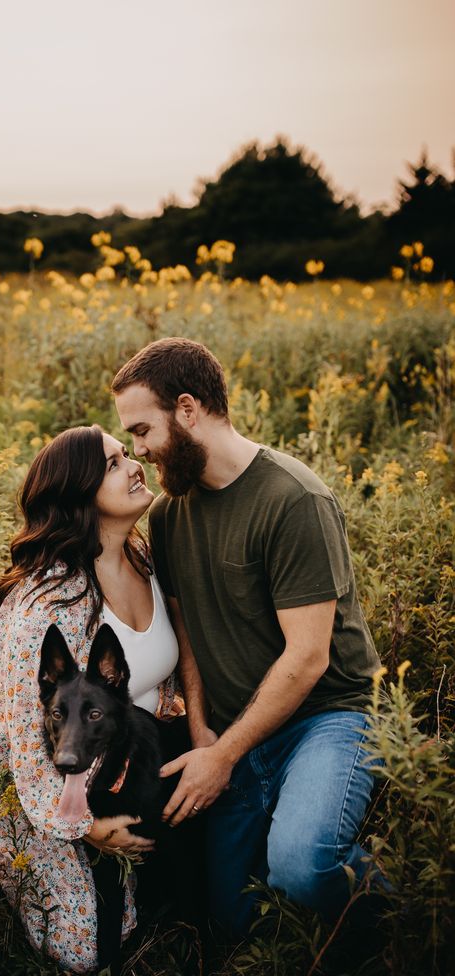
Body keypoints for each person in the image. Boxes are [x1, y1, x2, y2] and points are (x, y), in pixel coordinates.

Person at [111, 337, 384, 938]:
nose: (138, 452)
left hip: (326, 719)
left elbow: (309, 658)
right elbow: (187, 628)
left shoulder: (294, 500)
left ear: (187, 410)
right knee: (231, 926)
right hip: (235, 730)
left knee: (300, 868)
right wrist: (205, 729)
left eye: (141, 430)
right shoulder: (169, 514)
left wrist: (222, 756)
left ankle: (421, 922)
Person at [0, 424, 183, 973]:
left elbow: (154, 674)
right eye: (114, 464)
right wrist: (84, 827)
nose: (135, 464)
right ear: (79, 497)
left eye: (125, 453)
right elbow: (21, 732)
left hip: (122, 752)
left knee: (180, 898)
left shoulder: (142, 558)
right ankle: (27, 871)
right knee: (87, 948)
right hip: (38, 778)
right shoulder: (45, 600)